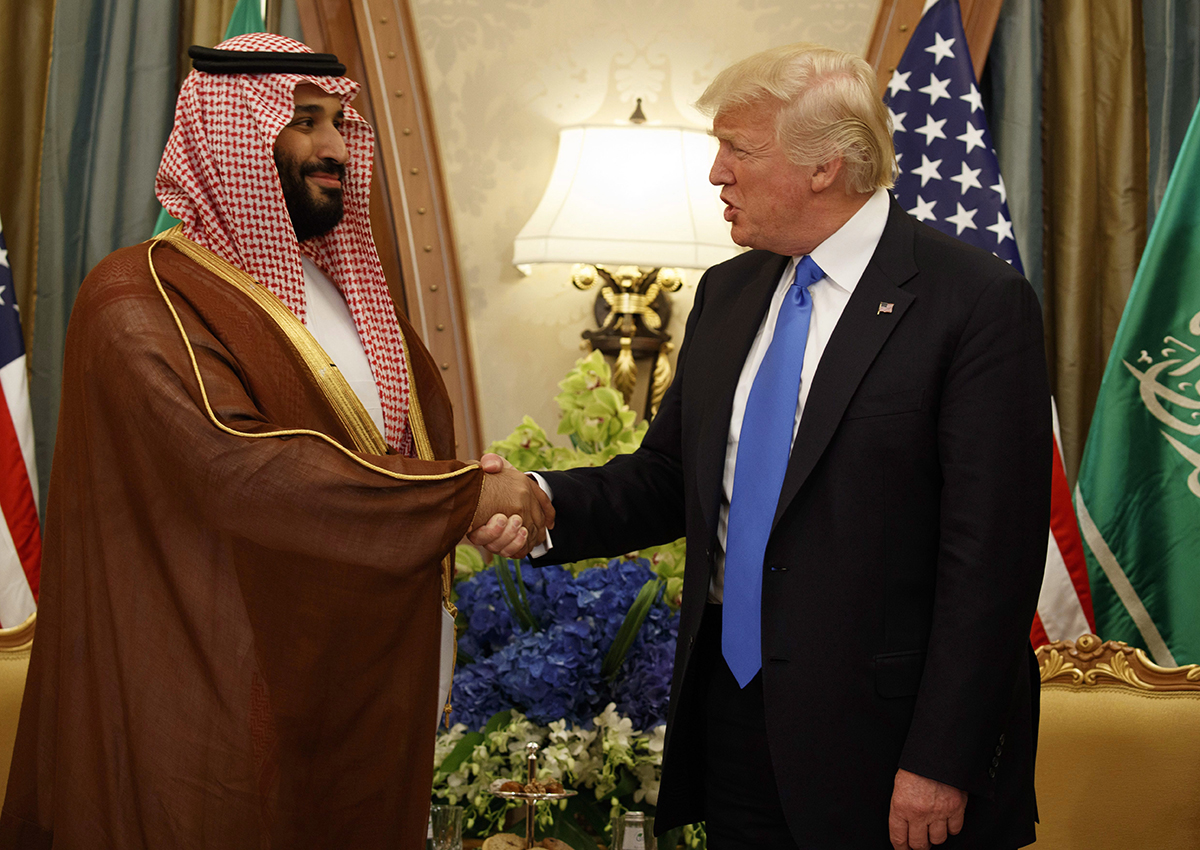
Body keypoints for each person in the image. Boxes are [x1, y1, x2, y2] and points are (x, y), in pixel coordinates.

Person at [473, 42, 1049, 850]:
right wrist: (539, 502)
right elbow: (672, 478)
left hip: (890, 751)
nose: (715, 174)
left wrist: (941, 760)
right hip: (736, 724)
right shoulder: (730, 290)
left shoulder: (975, 304)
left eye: (737, 149)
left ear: (824, 167)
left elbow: (991, 563)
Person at [0, 34, 549, 850]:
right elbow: (240, 468)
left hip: (356, 703)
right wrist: (470, 495)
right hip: (210, 704)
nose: (334, 146)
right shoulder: (136, 298)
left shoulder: (350, 297)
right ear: (231, 139)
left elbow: (404, 451)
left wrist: (475, 499)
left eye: (340, 122)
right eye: (303, 122)